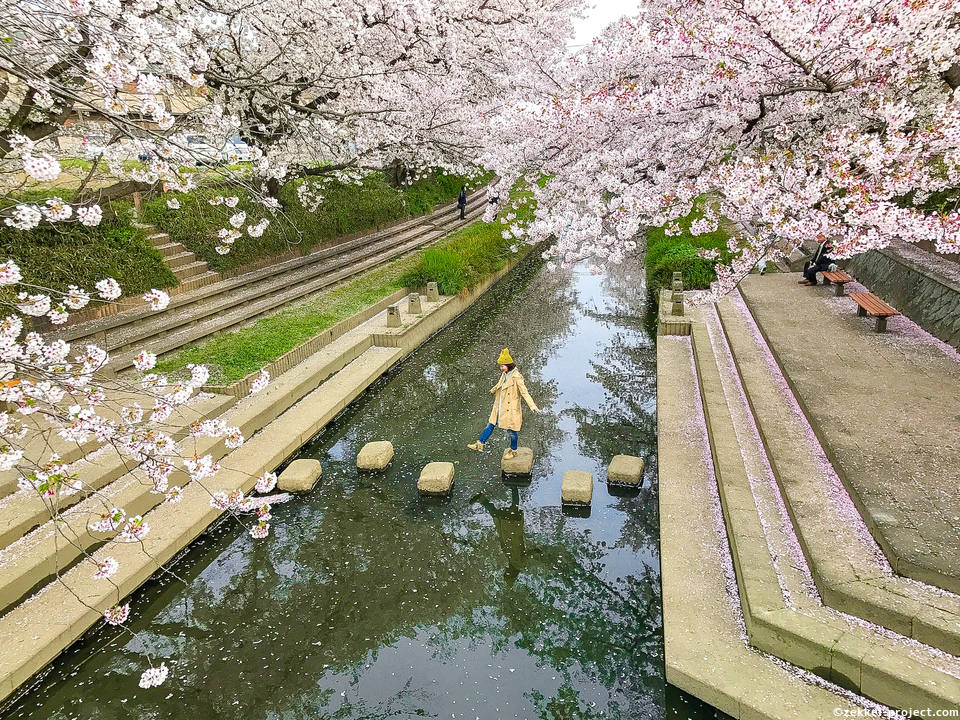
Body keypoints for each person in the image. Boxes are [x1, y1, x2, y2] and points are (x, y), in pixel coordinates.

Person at [468, 348, 541, 459]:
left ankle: (513, 450)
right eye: (500, 366)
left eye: (502, 366)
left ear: (509, 365)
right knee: (490, 424)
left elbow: (524, 393)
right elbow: (500, 384)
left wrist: (533, 406)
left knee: (512, 431)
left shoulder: (517, 377)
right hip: (499, 406)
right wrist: (493, 390)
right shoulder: (505, 373)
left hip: (510, 409)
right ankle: (480, 444)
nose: (501, 368)